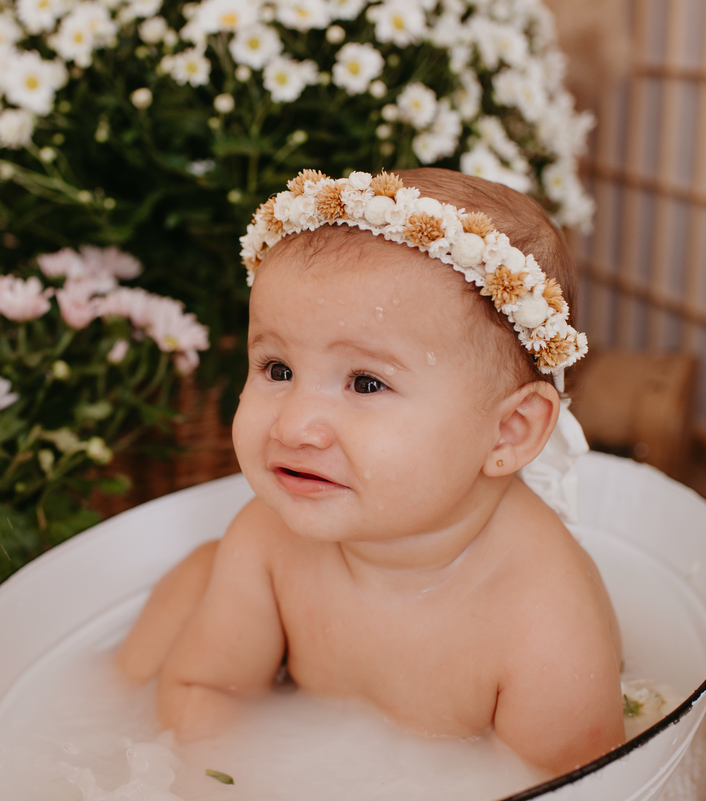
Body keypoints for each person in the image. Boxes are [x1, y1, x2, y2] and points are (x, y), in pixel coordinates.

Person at [115, 167, 625, 776]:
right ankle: (114, 686)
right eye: (277, 369)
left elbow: (574, 785)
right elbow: (204, 689)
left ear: (507, 432)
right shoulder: (267, 539)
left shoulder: (543, 616)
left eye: (365, 383)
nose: (293, 427)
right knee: (192, 584)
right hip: (299, 729)